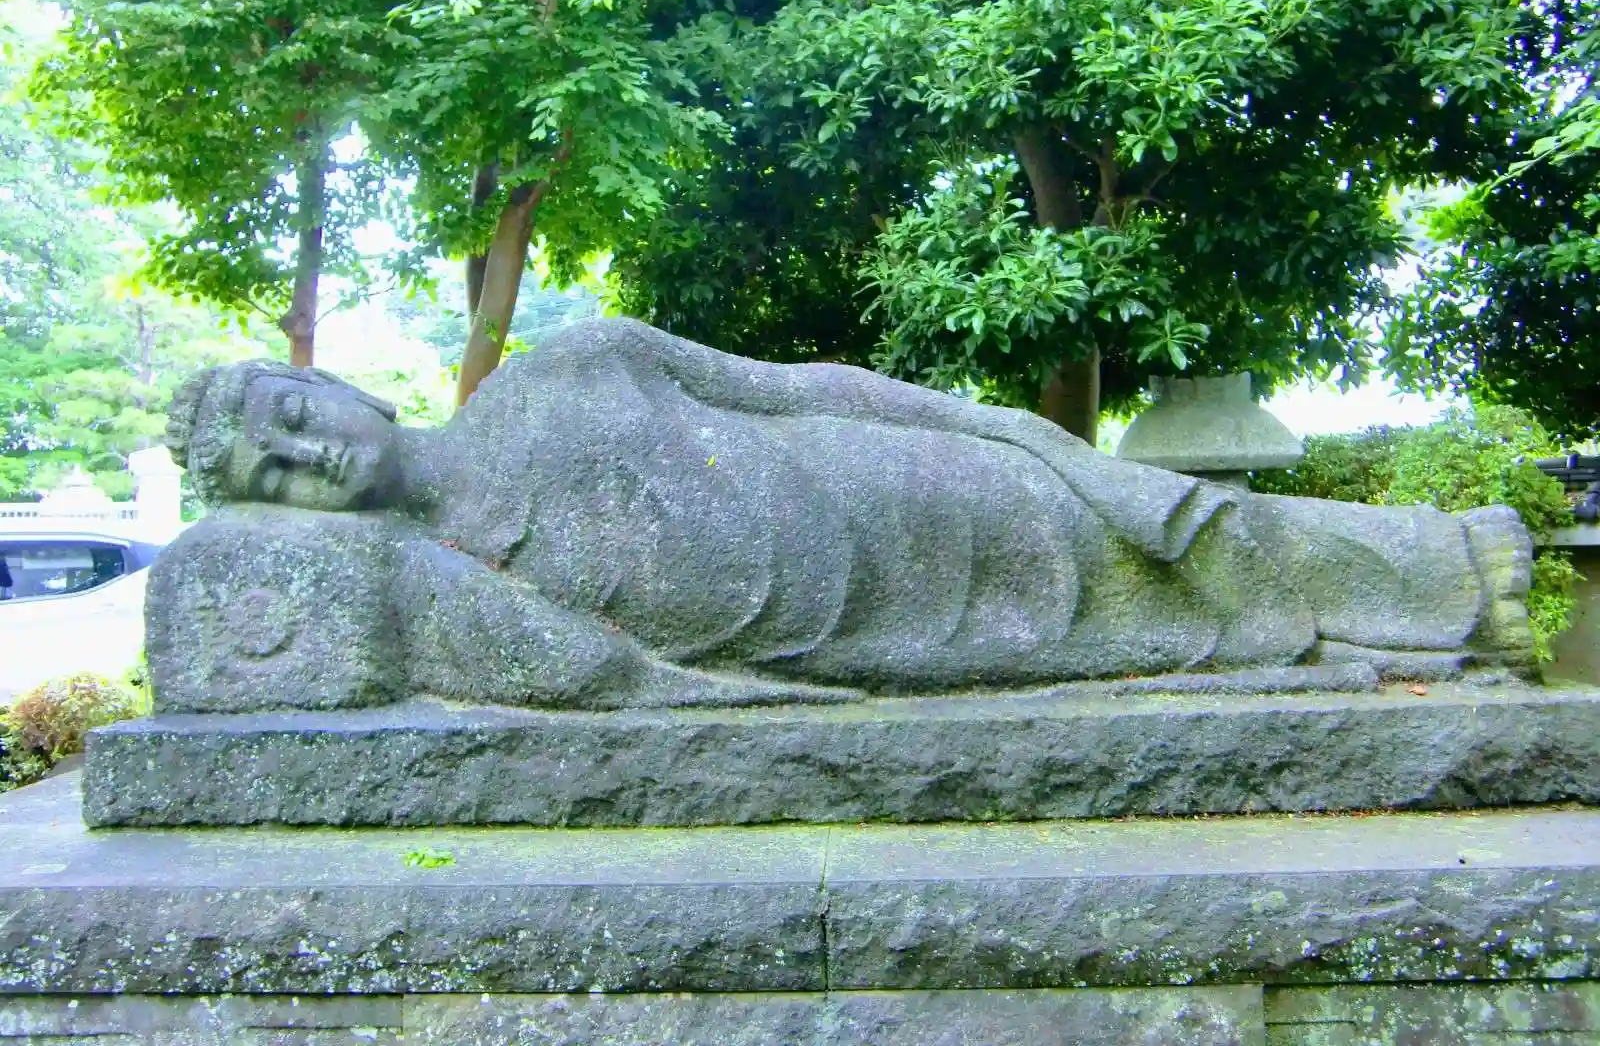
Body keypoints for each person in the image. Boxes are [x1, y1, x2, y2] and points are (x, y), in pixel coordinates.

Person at [159, 318, 1532, 708]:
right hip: (880, 635)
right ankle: (1399, 625)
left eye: (293, 417)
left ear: (336, 386)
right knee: (1176, 634)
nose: (308, 458)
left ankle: (1454, 570)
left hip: (911, 493)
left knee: (1166, 531)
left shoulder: (567, 367)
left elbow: (805, 387)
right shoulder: (453, 586)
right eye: (273, 476)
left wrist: (1000, 426)